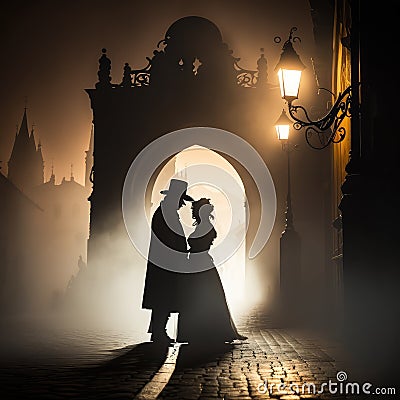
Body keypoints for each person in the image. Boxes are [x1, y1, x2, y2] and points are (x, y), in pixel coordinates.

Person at [177, 197, 247, 345]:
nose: (193, 213)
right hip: (200, 263)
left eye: (194, 210)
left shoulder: (204, 227)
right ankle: (207, 330)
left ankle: (201, 331)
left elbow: (200, 245)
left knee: (199, 298)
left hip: (199, 263)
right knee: (203, 298)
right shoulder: (206, 225)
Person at [142, 178, 194, 344]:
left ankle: (158, 330)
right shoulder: (165, 213)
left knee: (164, 298)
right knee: (163, 298)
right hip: (165, 264)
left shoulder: (166, 211)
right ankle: (158, 331)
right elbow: (170, 239)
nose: (182, 205)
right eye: (181, 201)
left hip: (166, 263)